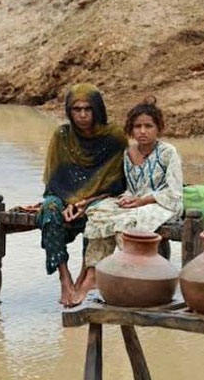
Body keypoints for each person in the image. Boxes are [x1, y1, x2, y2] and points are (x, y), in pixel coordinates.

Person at [77, 96, 183, 304]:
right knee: (98, 212)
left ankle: (135, 273)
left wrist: (142, 202)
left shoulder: (168, 153)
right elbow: (130, 188)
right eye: (137, 126)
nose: (142, 131)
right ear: (131, 129)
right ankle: (94, 273)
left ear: (158, 128)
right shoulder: (128, 153)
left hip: (162, 204)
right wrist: (127, 199)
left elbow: (174, 192)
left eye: (148, 126)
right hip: (135, 202)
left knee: (127, 222)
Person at [37, 83, 128, 307]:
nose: (83, 115)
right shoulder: (62, 136)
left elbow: (117, 184)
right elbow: (54, 182)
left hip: (99, 199)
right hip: (64, 198)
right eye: (76, 109)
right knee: (48, 209)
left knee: (99, 214)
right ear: (69, 111)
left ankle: (86, 275)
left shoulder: (114, 137)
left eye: (88, 109)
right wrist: (69, 203)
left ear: (98, 109)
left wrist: (85, 202)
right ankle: (64, 277)